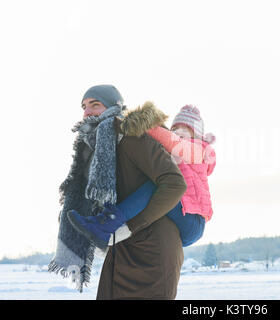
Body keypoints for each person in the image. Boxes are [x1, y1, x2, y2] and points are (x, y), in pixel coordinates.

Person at [51, 84, 187, 299]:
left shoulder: (132, 137)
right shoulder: (95, 148)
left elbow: (174, 183)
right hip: (121, 248)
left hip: (153, 249)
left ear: (115, 107)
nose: (87, 112)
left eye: (95, 105)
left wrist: (130, 227)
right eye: (84, 106)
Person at [68, 103, 216, 249]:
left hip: (193, 221)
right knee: (155, 182)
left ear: (196, 135)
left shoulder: (200, 150)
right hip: (180, 213)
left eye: (185, 129)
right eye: (175, 128)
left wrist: (141, 124)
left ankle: (107, 223)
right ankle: (108, 236)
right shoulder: (176, 152)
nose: (177, 132)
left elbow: (173, 142)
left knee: (158, 187)